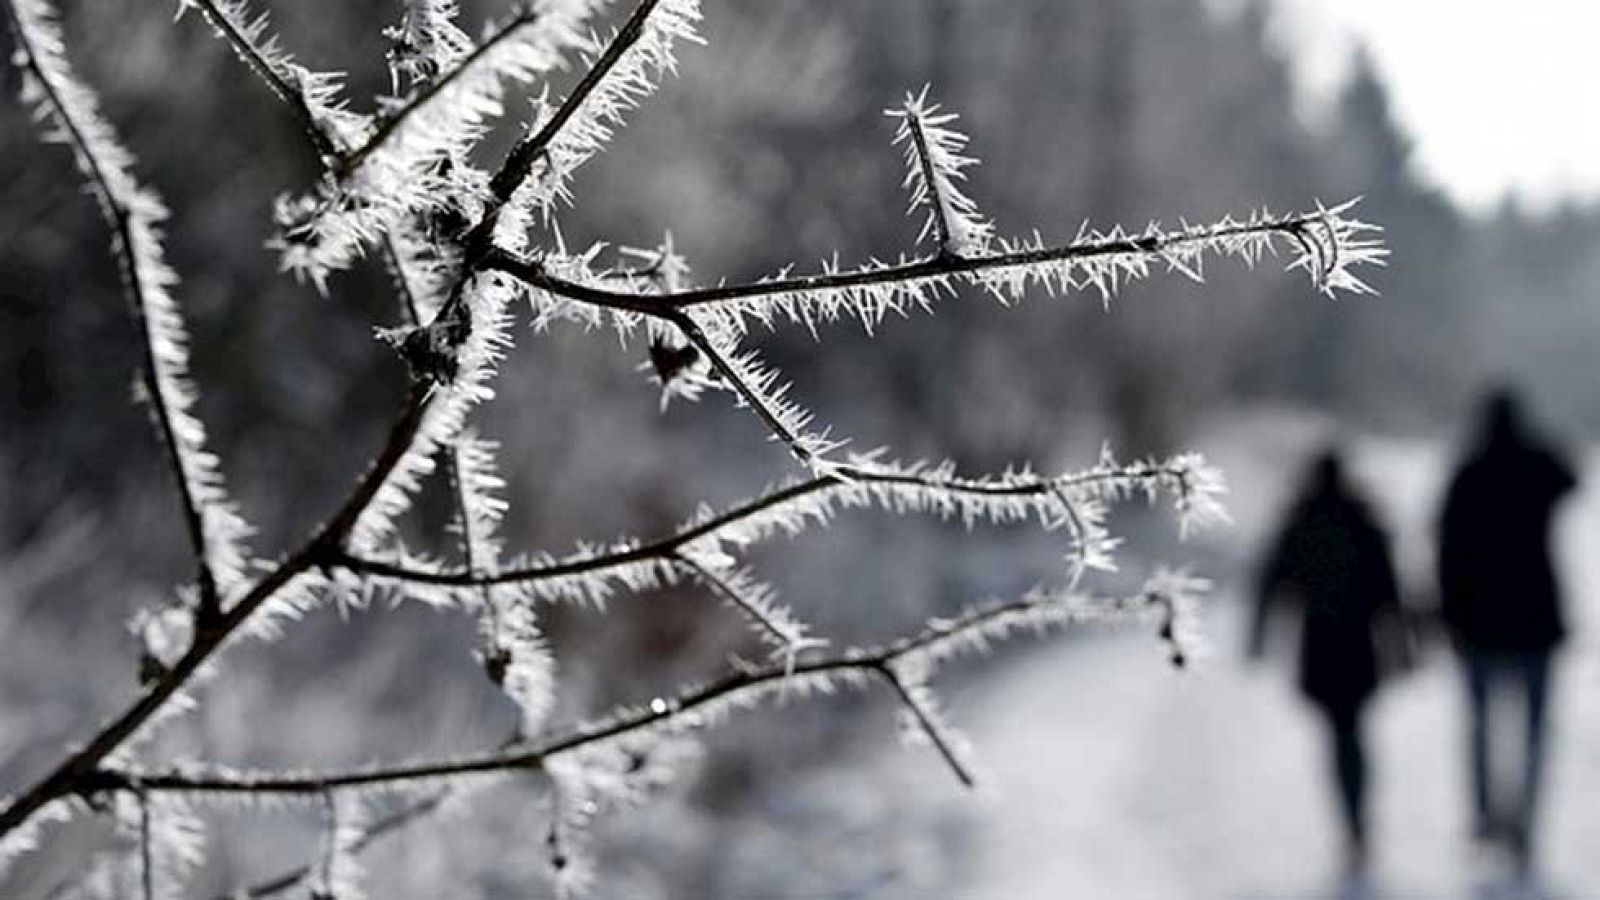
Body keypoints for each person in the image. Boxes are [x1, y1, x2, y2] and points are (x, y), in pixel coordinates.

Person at [1438, 388, 1576, 867]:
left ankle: (1485, 819)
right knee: (1534, 734)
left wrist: (1448, 617)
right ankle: (1524, 827)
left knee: (1480, 730)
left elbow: (1446, 554)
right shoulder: (1536, 468)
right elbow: (1572, 477)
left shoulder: (1469, 474)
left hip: (1479, 626)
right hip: (1536, 624)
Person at [1252, 449, 1401, 872]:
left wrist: (1259, 637)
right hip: (1358, 647)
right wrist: (1401, 645)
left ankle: (1352, 819)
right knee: (1352, 734)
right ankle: (1356, 819)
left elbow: (1271, 584)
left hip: (1319, 647)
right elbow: (1390, 592)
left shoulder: (1300, 524)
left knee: (1340, 736)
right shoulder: (1365, 523)